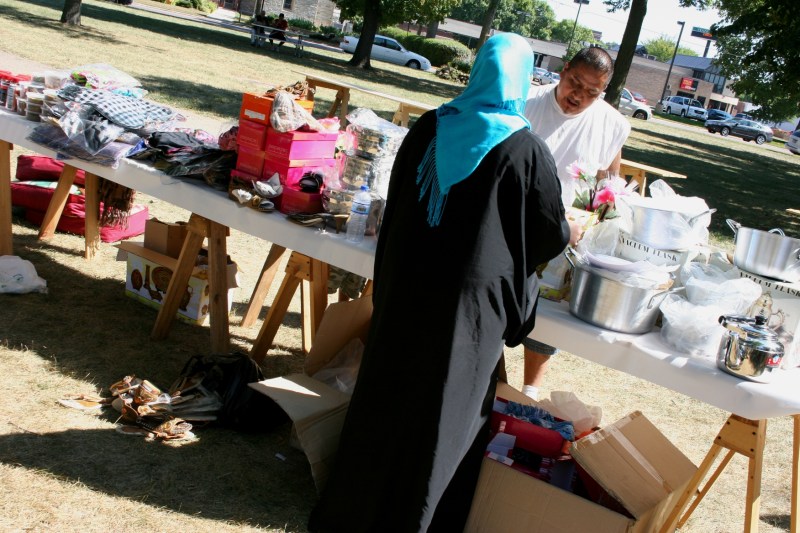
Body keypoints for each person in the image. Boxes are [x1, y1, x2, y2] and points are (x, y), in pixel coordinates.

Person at [308, 33, 570, 532]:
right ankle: (417, 518)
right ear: (519, 79)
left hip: (408, 284)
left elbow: (400, 195)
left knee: (387, 391)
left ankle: (356, 508)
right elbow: (550, 231)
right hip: (467, 309)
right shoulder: (524, 148)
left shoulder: (430, 126)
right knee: (445, 412)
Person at [519, 46, 632, 401]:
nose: (578, 96)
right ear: (563, 70)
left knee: (546, 316)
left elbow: (609, 182)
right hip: (514, 222)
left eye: (591, 92)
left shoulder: (613, 123)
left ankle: (529, 392)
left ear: (604, 92)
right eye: (574, 83)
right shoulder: (527, 101)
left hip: (566, 233)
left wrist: (595, 214)